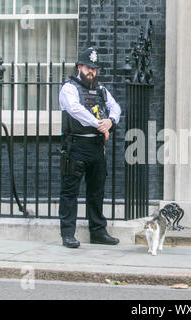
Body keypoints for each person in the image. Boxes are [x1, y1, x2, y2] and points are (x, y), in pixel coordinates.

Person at [58, 47, 121, 248]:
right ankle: (68, 233)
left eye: (94, 68)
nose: (91, 72)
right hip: (76, 144)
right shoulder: (69, 88)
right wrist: (98, 123)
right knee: (70, 191)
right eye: (88, 67)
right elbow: (75, 109)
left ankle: (98, 232)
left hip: (96, 146)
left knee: (97, 191)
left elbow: (116, 107)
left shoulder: (101, 90)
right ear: (79, 67)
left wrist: (110, 121)